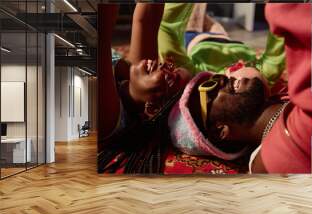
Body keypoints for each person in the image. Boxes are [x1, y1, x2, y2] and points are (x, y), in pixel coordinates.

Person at [98, 3, 287, 173]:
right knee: (206, 25)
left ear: (153, 108)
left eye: (208, 86)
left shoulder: (106, 119)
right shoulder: (142, 81)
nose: (221, 77)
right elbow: (147, 19)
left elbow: (103, 28)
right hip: (205, 41)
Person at [177, 3, 312, 173]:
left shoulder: (287, 98)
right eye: (208, 87)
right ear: (220, 130)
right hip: (199, 43)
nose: (222, 77)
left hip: (211, 39)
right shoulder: (277, 153)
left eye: (216, 77)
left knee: (199, 16)